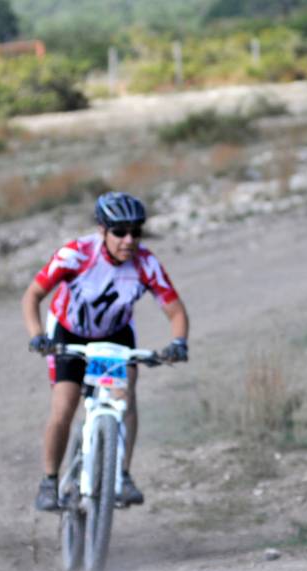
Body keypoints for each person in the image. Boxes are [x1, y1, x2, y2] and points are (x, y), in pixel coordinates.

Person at [22, 191, 189, 512]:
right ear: (102, 230)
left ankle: (122, 476)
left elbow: (175, 310)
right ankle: (49, 482)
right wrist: (37, 335)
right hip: (69, 331)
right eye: (120, 232)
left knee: (125, 398)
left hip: (114, 335)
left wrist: (178, 342)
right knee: (65, 405)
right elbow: (32, 296)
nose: (129, 240)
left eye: (136, 232)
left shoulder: (146, 264)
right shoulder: (75, 255)